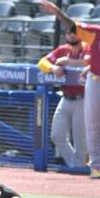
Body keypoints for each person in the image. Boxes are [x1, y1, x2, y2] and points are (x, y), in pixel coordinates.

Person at [40, 0, 100, 179]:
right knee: (92, 127)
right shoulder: (98, 34)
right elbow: (73, 26)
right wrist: (58, 13)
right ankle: (96, 166)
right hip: (95, 83)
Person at [38, 30, 90, 168]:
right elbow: (42, 62)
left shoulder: (87, 47)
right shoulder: (62, 49)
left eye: (75, 32)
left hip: (83, 99)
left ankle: (78, 171)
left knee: (80, 141)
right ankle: (77, 167)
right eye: (69, 33)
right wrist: (53, 67)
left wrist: (69, 61)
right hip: (65, 98)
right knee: (57, 135)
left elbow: (90, 62)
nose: (72, 35)